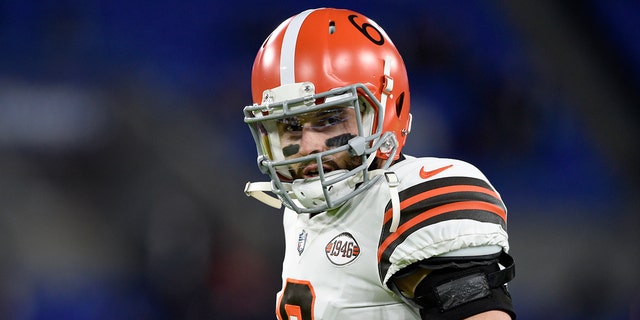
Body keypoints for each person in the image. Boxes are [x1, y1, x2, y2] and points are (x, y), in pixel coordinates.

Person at [243, 8, 516, 319]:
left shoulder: (406, 201)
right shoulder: (299, 213)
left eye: (330, 119)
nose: (308, 146)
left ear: (386, 110)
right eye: (290, 125)